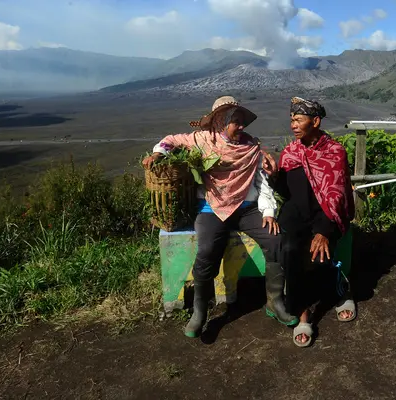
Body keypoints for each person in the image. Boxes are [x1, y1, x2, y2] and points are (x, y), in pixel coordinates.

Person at [142, 96, 298, 338]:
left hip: (247, 209)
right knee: (206, 250)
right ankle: (200, 312)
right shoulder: (201, 141)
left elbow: (261, 181)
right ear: (220, 122)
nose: (242, 126)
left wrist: (268, 211)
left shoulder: (251, 147)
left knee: (276, 240)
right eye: (236, 121)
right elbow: (170, 141)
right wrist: (158, 154)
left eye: (242, 121)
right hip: (211, 208)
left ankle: (275, 303)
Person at [262, 96, 357, 347]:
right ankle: (302, 311)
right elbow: (287, 191)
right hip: (296, 214)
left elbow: (336, 196)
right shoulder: (292, 152)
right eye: (291, 120)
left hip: (326, 215)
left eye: (299, 120)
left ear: (315, 121)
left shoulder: (335, 152)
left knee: (319, 253)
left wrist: (324, 230)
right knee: (291, 250)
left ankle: (338, 292)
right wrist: (274, 176)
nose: (293, 125)